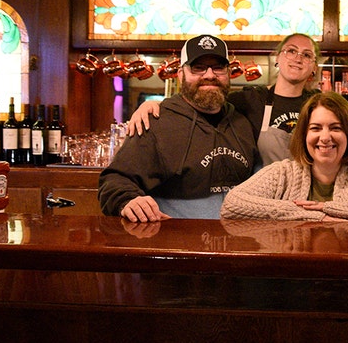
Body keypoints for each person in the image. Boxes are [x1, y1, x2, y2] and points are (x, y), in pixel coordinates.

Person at [99, 34, 258, 222]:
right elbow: (115, 180)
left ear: (228, 74)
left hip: (236, 243)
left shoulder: (242, 121)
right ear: (181, 74)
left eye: (218, 68)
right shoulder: (156, 122)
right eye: (198, 68)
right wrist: (127, 200)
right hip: (177, 242)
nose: (209, 75)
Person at [128, 33, 320, 168]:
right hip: (264, 198)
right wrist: (156, 105)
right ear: (278, 57)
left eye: (307, 55)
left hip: (307, 196)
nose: (298, 58)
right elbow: (202, 101)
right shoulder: (250, 99)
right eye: (291, 51)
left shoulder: (320, 104)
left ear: (313, 66)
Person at [221, 92, 348, 221]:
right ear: (304, 135)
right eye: (316, 128)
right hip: (288, 276)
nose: (325, 138)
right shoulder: (282, 173)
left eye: (335, 128)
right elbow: (232, 204)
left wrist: (331, 207)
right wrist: (317, 217)